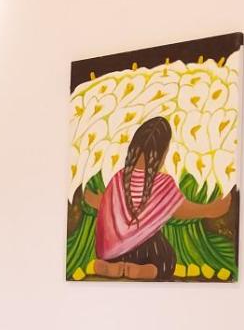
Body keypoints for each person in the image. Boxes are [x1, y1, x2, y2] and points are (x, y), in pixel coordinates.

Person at [83, 116, 231, 280]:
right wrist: (208, 210)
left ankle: (109, 266)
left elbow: (109, 207)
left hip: (112, 253)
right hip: (146, 253)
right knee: (166, 258)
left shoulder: (118, 179)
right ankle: (146, 270)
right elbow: (181, 210)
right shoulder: (163, 183)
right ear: (161, 155)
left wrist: (95, 200)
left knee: (127, 243)